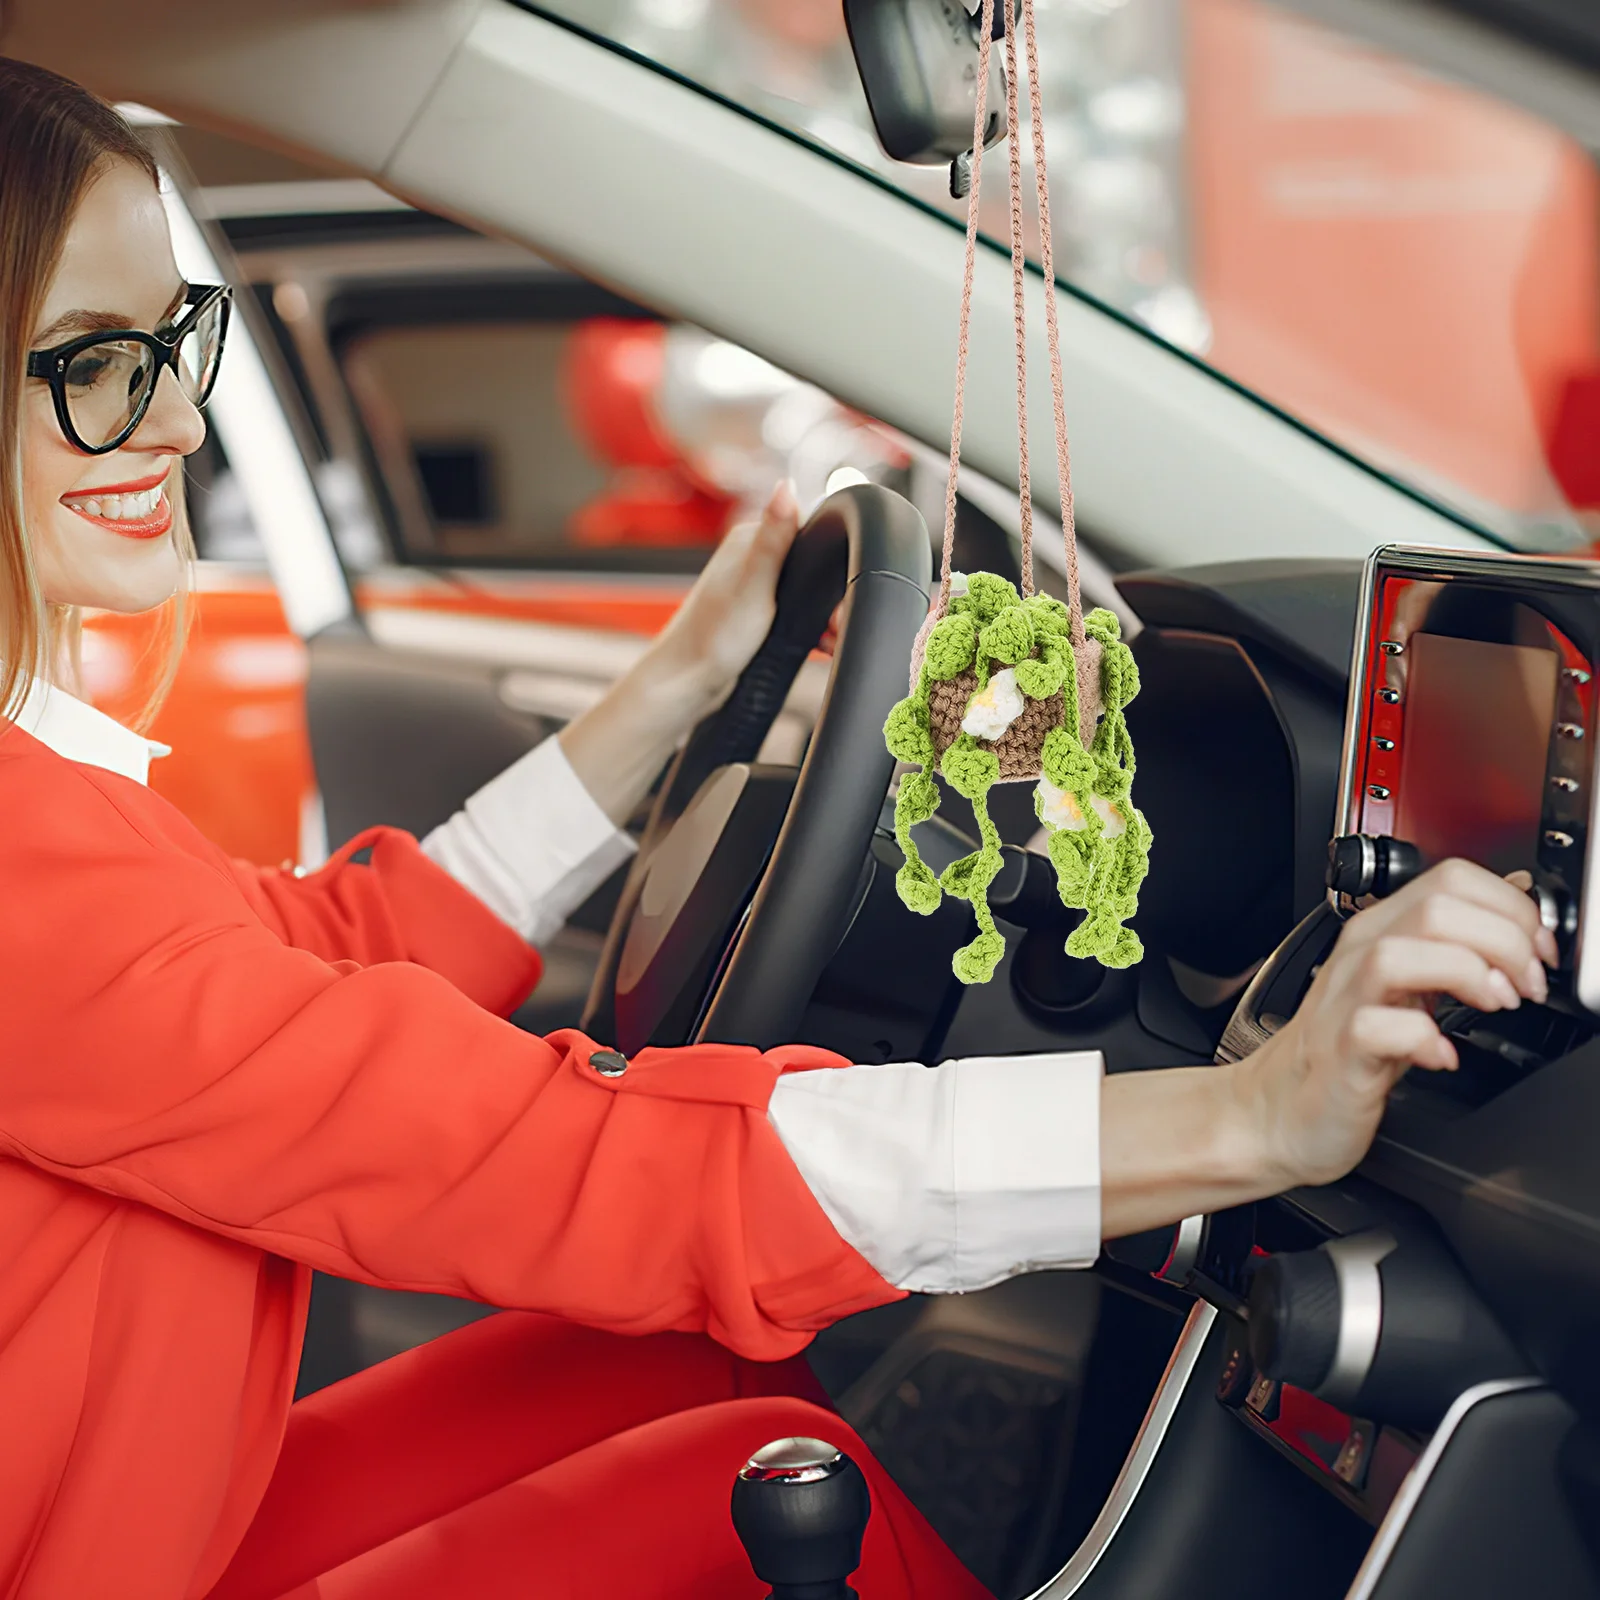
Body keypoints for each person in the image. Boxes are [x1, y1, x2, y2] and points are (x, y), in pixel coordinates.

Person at [0, 59, 1558, 1600]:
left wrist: (677, 691)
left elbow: (316, 964)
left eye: (173, 340)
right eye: (92, 362)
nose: (177, 421)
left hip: (149, 1519)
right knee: (742, 1480)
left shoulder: (48, 818)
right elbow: (555, 1160)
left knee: (689, 1369)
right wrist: (1247, 1120)